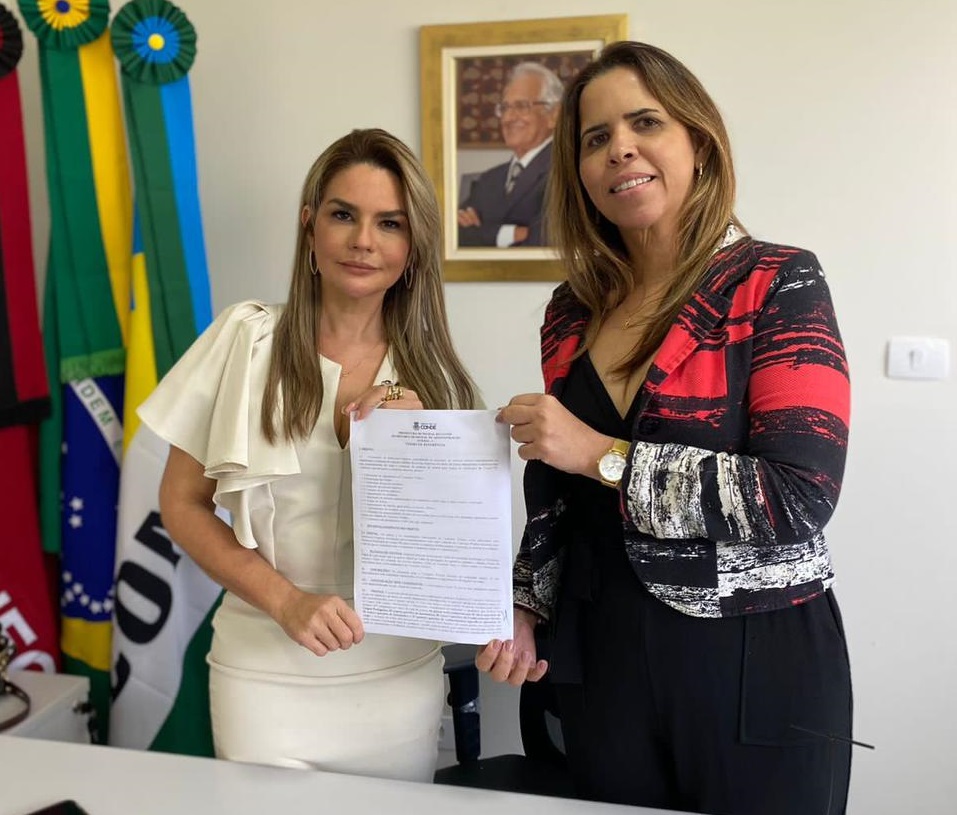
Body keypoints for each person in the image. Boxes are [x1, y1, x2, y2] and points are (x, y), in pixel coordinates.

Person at [476, 41, 854, 815]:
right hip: (599, 652)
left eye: (644, 122)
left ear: (698, 142)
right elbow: (559, 491)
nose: (619, 148)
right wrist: (526, 602)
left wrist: (601, 453)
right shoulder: (569, 310)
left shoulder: (776, 280)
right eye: (594, 137)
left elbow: (798, 493)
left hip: (750, 653)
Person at [140, 128, 478, 782]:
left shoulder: (437, 379)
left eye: (390, 223)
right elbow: (180, 504)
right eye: (343, 215)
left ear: (412, 247)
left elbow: (452, 551)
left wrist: (416, 452)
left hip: (396, 678)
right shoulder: (244, 339)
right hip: (262, 673)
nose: (363, 241)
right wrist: (286, 601)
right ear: (309, 226)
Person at [457, 61, 562, 248]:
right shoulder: (488, 179)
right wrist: (513, 233)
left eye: (521, 106)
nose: (508, 118)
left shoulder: (567, 173)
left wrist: (482, 233)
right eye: (504, 108)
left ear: (553, 115)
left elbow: (546, 241)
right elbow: (453, 237)